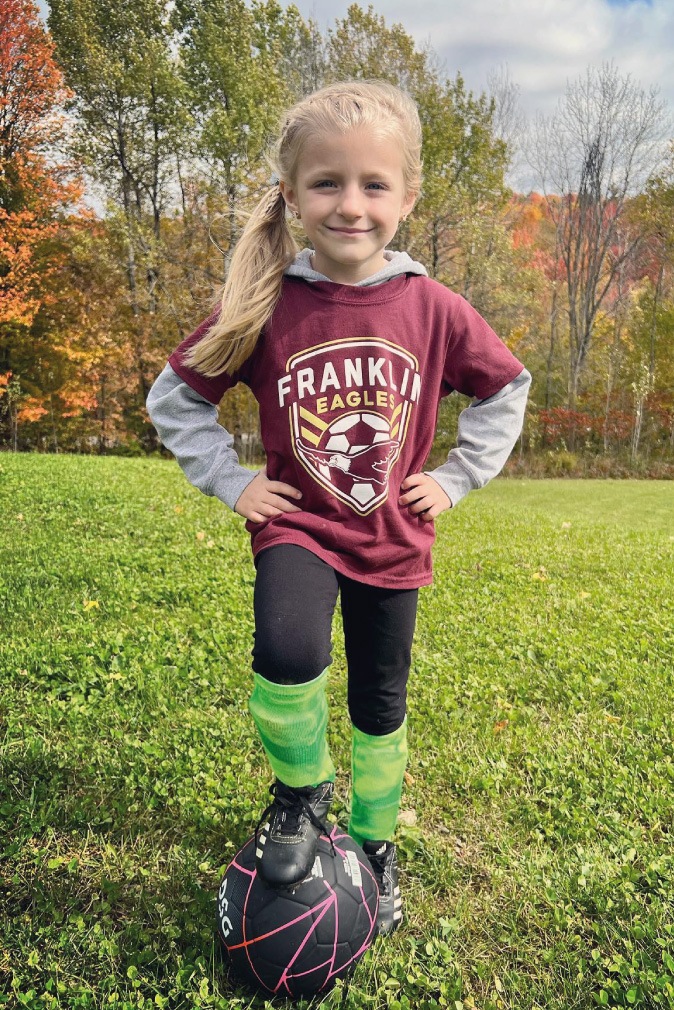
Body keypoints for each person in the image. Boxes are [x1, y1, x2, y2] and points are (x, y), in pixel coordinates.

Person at [146, 79, 531, 937]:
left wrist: (459, 476)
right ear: (291, 195)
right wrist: (231, 479)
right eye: (326, 183)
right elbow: (176, 397)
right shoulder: (265, 303)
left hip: (393, 536)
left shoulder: (434, 308)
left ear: (408, 197)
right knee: (286, 650)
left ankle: (374, 845)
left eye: (373, 185)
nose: (349, 204)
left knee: (381, 703)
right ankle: (298, 796)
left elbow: (507, 389)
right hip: (301, 525)